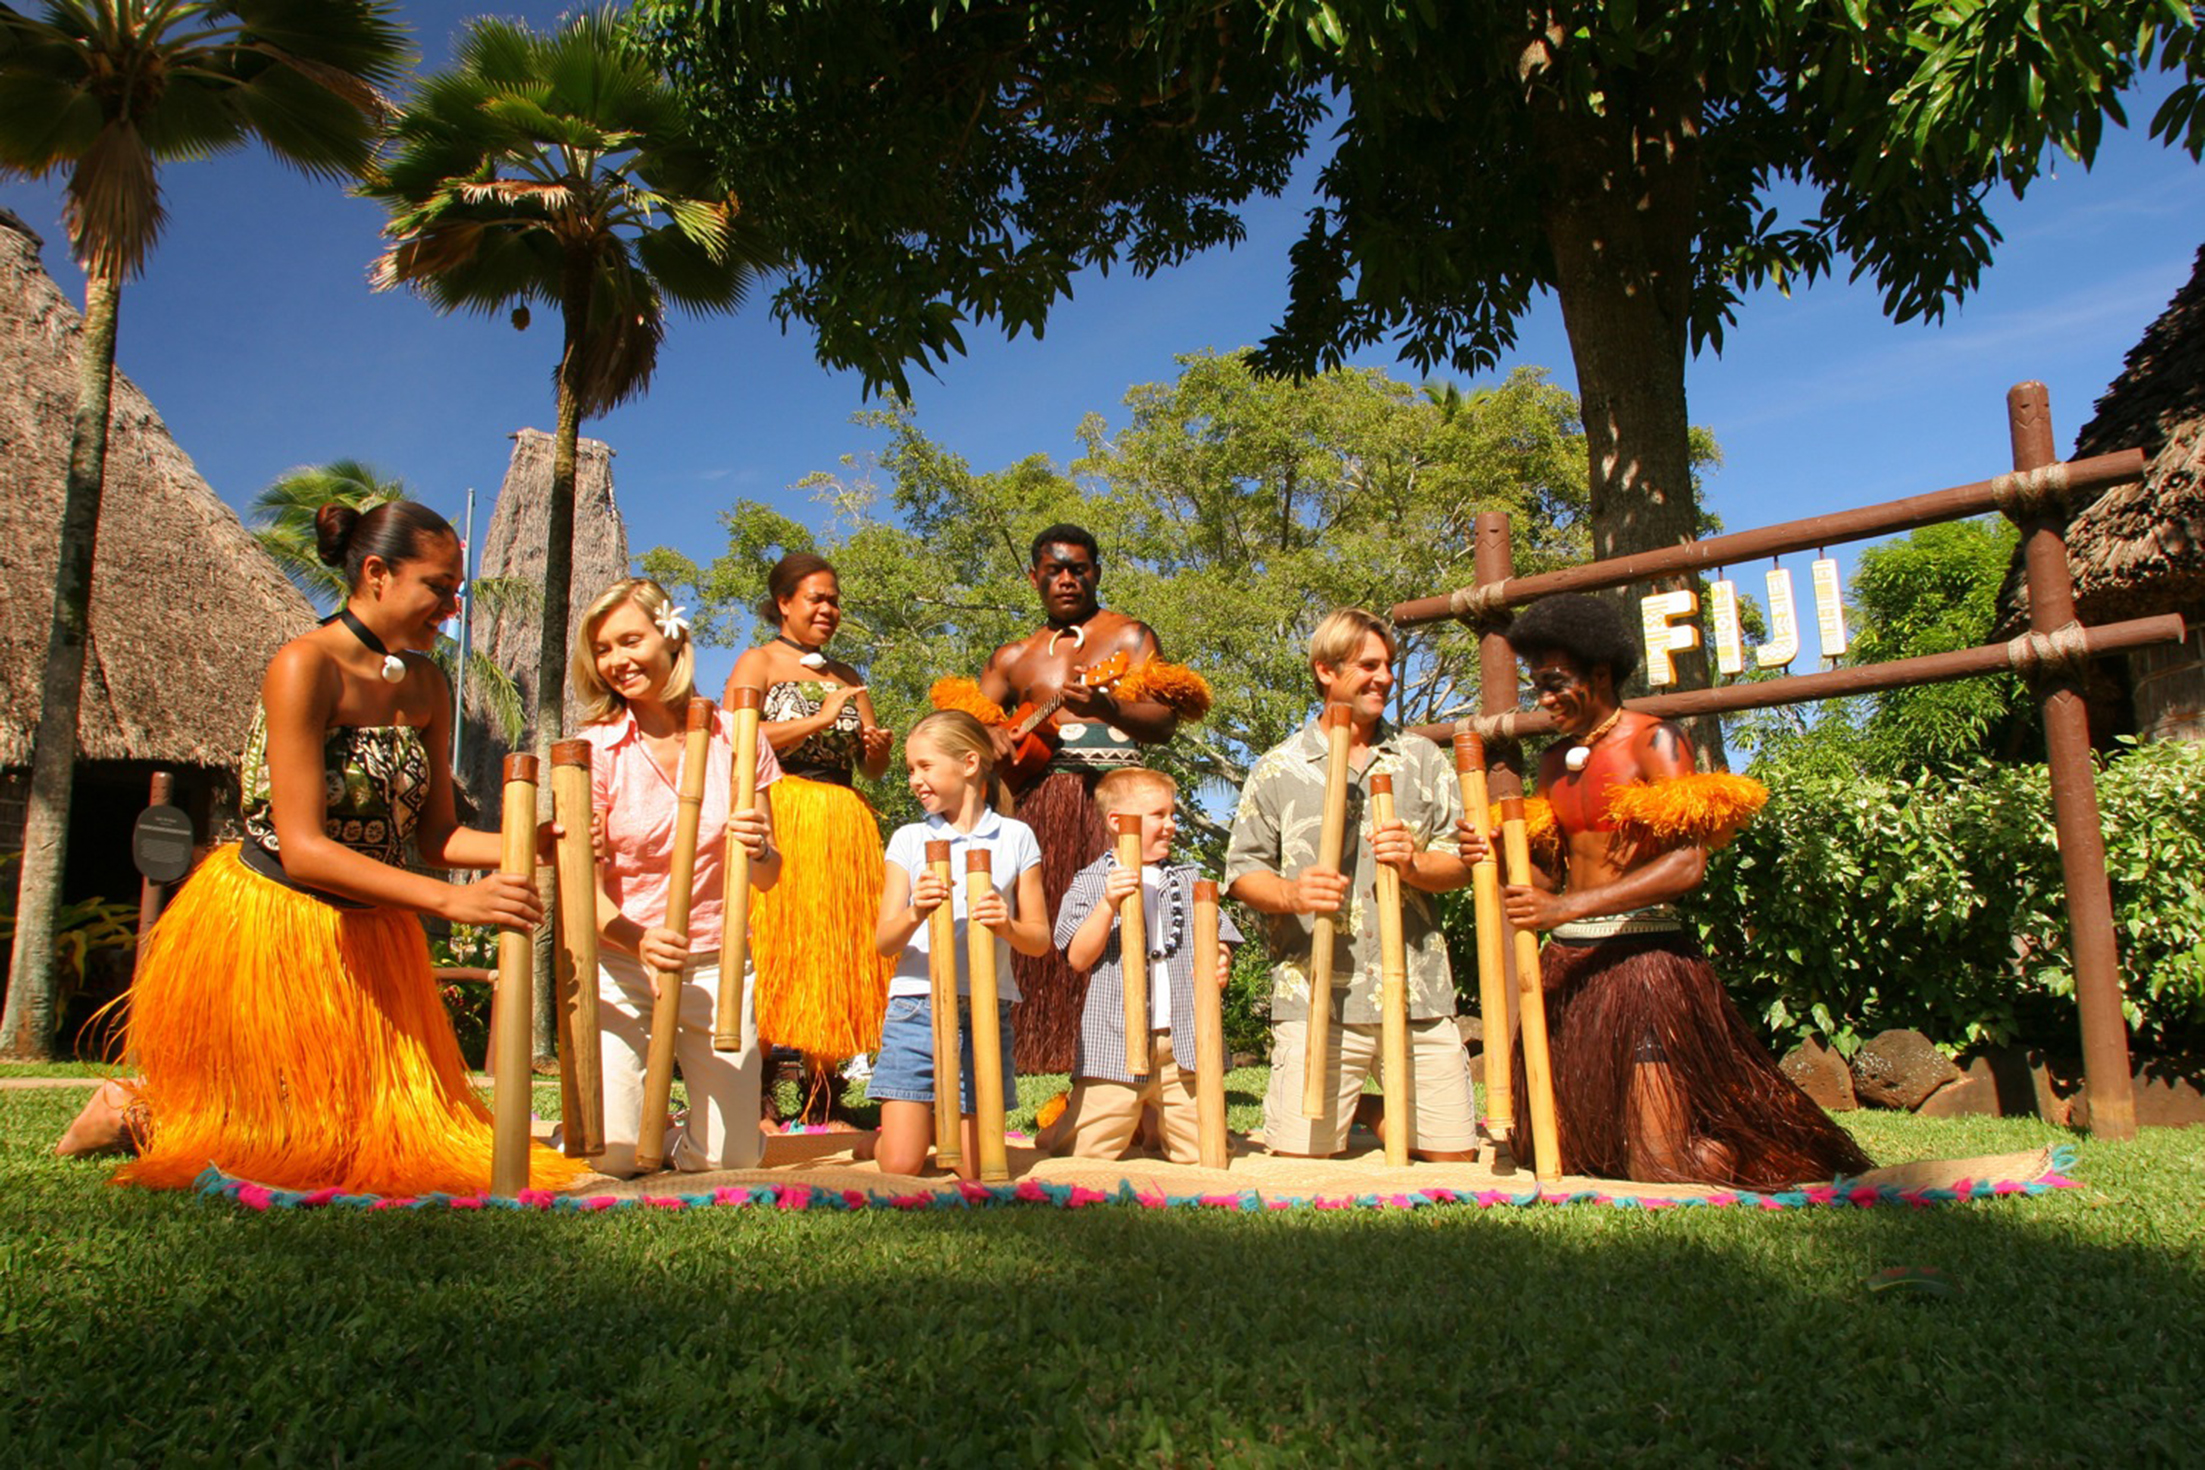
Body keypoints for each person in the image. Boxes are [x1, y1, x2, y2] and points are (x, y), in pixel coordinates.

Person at [57, 500, 586, 1196]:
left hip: (373, 932)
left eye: (454, 590)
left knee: (388, 1137)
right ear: (375, 572)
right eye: (437, 586)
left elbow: (434, 837)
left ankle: (168, 1109)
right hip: (281, 919)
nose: (450, 607)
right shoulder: (305, 665)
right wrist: (453, 907)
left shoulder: (426, 682)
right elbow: (304, 848)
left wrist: (535, 844)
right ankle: (135, 1110)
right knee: (281, 1145)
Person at [1484, 592, 1874, 1188]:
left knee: (1660, 1164)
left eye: (1556, 683)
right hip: (1569, 966)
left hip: (1645, 967)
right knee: (1555, 1153)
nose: (1545, 699)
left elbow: (1686, 867)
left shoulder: (1655, 741)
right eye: (1537, 685)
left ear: (1602, 673)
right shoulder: (1553, 762)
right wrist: (1495, 853)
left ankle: (1731, 1149)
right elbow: (1542, 884)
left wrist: (1564, 906)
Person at [929, 523, 1209, 1072]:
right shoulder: (1015, 657)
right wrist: (992, 734)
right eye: (1054, 570)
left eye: (1078, 569)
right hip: (1041, 801)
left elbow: (1164, 721)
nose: (1066, 580)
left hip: (1117, 803)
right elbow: (963, 725)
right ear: (1033, 577)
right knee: (1049, 918)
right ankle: (1045, 1052)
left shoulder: (1129, 638)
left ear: (1096, 573)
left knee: (1127, 920)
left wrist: (1107, 708)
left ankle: (1133, 1047)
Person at [1224, 609, 1480, 1162]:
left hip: (1417, 992)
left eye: (1389, 665)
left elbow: (1460, 863)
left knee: (1455, 1157)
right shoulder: (1278, 768)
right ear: (1325, 670)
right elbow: (1242, 873)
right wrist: (1292, 894)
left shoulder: (1421, 758)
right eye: (1369, 665)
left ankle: (1368, 1111)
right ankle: (1357, 1110)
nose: (1385, 677)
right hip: (1317, 996)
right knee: (1302, 1159)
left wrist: (1414, 865)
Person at [576, 577, 784, 1177]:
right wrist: (638, 941)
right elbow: (582, 894)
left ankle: (674, 1139)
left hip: (717, 961)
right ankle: (609, 1121)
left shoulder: (738, 740)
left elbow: (768, 876)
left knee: (728, 1160)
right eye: (603, 650)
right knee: (612, 1156)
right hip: (622, 959)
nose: (616, 661)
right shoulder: (595, 751)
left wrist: (761, 849)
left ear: (672, 637)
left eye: (629, 641)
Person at [726, 552, 894, 1120]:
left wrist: (878, 752)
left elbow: (872, 768)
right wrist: (819, 722)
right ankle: (757, 1089)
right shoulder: (759, 662)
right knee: (774, 945)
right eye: (816, 598)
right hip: (781, 809)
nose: (829, 608)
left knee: (836, 948)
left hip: (843, 818)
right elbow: (736, 737)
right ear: (784, 603)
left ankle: (825, 1093)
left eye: (834, 599)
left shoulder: (847, 678)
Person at [864, 711, 1048, 1177]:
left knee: (977, 1167)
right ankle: (891, 1138)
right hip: (915, 1008)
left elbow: (1039, 940)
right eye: (910, 770)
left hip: (986, 1008)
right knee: (901, 1167)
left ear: (969, 763)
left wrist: (1006, 925)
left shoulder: (1016, 836)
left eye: (924, 766)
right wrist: (915, 911)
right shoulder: (909, 839)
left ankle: (920, 1127)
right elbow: (885, 942)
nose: (914, 780)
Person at [1037, 768, 1241, 1164]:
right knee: (1084, 1155)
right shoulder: (1090, 882)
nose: (1171, 824)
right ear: (1118, 822)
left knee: (1207, 1153)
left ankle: (1150, 1125)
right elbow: (1078, 956)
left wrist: (1220, 957)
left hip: (1183, 1042)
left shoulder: (1188, 878)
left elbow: (1220, 935)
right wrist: (1108, 904)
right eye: (1159, 815)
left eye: (1173, 814)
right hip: (1116, 1044)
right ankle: (1064, 1128)